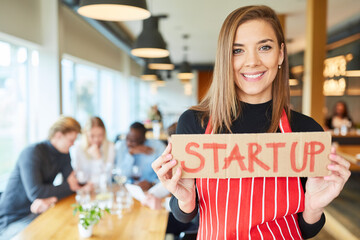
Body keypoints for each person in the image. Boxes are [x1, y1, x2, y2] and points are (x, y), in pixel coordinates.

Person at [152, 5, 351, 240]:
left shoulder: (306, 132)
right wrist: (185, 200)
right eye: (238, 50)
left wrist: (314, 208)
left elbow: (305, 229)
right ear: (225, 57)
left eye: (264, 47)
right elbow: (185, 217)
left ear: (281, 54)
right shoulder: (195, 123)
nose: (252, 61)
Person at [0, 116, 90, 239]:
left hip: (39, 212)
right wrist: (56, 195)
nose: (73, 144)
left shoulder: (63, 153)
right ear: (58, 135)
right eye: (71, 140)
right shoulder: (32, 152)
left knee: (68, 227)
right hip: (13, 220)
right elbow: (36, 193)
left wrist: (51, 197)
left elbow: (73, 184)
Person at [115, 122, 166, 191]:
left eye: (133, 141)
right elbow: (121, 175)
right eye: (127, 138)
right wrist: (130, 153)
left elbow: (165, 174)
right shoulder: (122, 146)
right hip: (128, 189)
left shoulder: (157, 147)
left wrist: (153, 184)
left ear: (143, 139)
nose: (128, 143)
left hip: (152, 190)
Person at [71, 116, 115, 191]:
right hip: (83, 189)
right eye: (92, 136)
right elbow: (78, 176)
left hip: (103, 190)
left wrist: (98, 158)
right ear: (85, 134)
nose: (96, 139)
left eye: (100, 135)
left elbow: (107, 176)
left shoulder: (110, 146)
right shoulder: (77, 148)